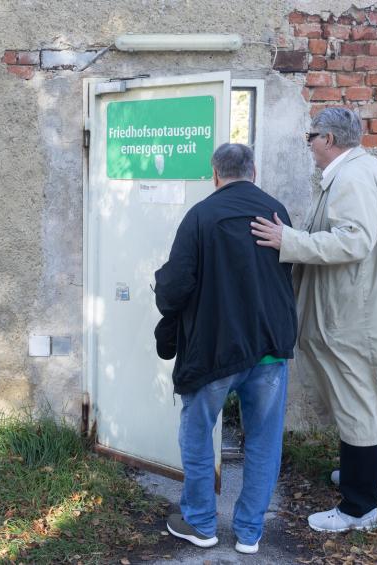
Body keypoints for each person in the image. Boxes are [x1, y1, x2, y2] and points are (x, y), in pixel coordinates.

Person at [250, 107, 377, 533]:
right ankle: (366, 479)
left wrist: (288, 241)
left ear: (328, 139)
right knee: (362, 400)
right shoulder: (360, 171)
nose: (308, 144)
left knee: (358, 401)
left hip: (357, 314)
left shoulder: (351, 178)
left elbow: (355, 240)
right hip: (362, 308)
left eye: (311, 136)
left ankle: (357, 508)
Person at [154, 143, 297, 554]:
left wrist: (163, 299)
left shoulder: (201, 215)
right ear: (253, 171)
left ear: (215, 175)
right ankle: (250, 533)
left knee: (198, 435)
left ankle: (200, 524)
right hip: (269, 346)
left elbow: (176, 286)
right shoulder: (276, 211)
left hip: (214, 350)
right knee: (264, 442)